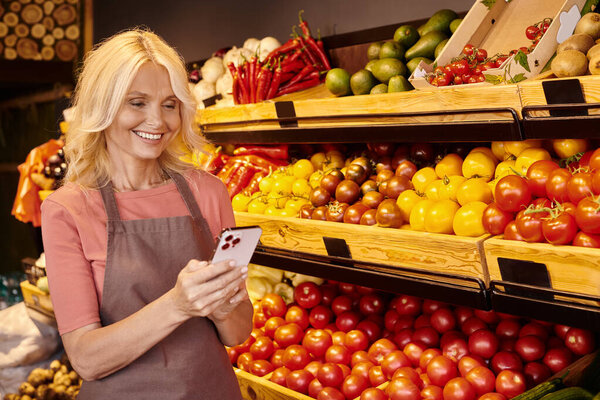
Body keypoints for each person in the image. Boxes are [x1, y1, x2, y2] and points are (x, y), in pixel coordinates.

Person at [41, 28, 252, 399]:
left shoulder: (209, 192)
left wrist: (221, 306)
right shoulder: (68, 210)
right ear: (102, 107)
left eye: (169, 104)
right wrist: (178, 304)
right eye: (137, 103)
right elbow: (86, 359)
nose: (158, 121)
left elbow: (238, 333)